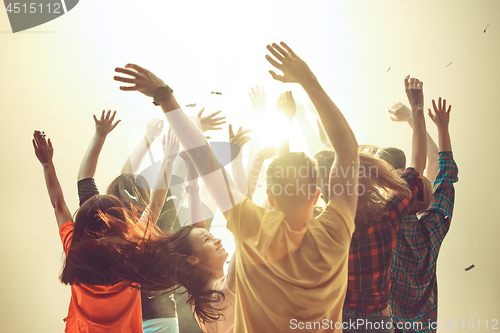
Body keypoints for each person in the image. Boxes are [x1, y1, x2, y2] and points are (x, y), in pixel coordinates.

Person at [113, 40, 359, 332]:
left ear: (270, 197)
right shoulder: (335, 231)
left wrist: (164, 96)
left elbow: (202, 155)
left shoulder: (253, 228)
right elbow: (348, 150)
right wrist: (308, 80)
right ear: (317, 194)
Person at [33, 128, 174, 332]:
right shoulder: (132, 249)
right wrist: (168, 160)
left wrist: (47, 163)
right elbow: (155, 205)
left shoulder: (74, 246)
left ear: (82, 223)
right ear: (121, 220)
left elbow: (58, 205)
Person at [341, 76, 428, 333]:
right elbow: (417, 165)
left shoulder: (331, 223)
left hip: (338, 317)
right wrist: (417, 109)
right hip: (377, 319)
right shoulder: (387, 217)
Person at [390, 98, 458, 333]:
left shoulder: (383, 225)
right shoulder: (432, 231)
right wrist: (438, 127)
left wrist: (414, 116)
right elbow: (443, 176)